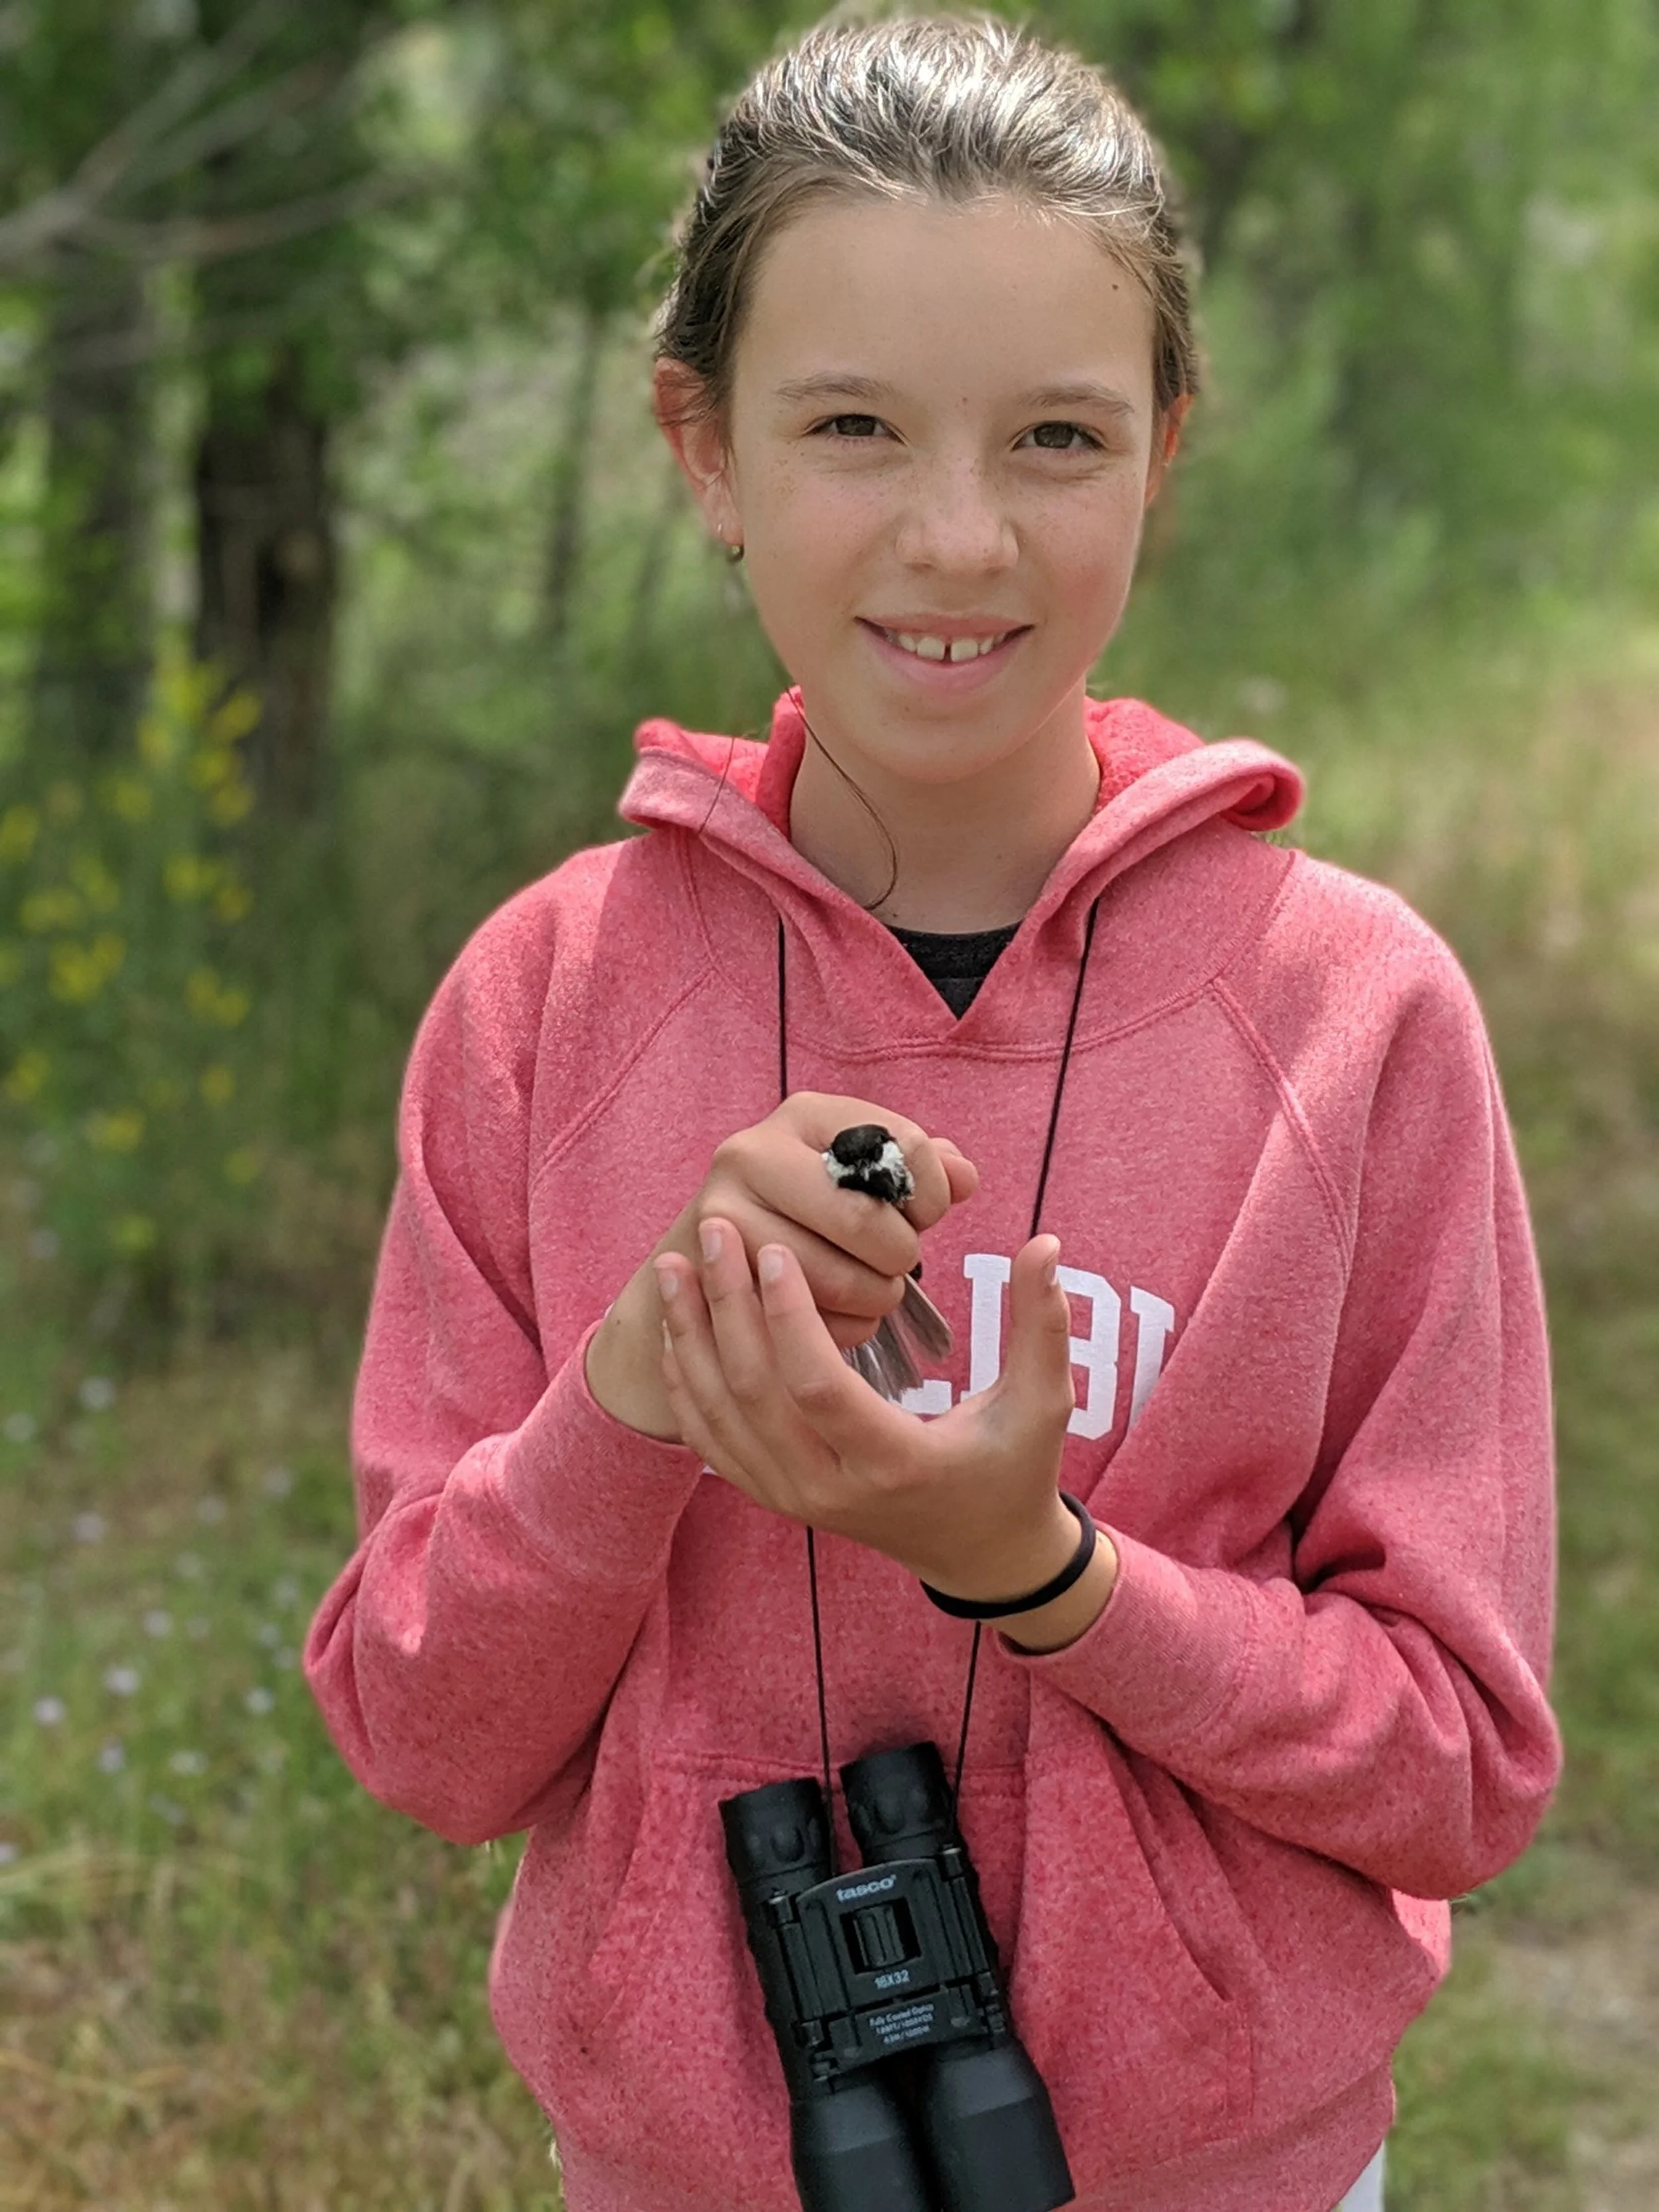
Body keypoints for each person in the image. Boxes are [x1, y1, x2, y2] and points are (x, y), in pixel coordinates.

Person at [303, 16, 1561, 2212]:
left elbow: (1457, 1767)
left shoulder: (1355, 1019)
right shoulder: (541, 1006)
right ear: (701, 443)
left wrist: (1041, 1576)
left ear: (1168, 442)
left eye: (1056, 436)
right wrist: (636, 1385)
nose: (957, 536)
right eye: (854, 426)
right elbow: (422, 1734)